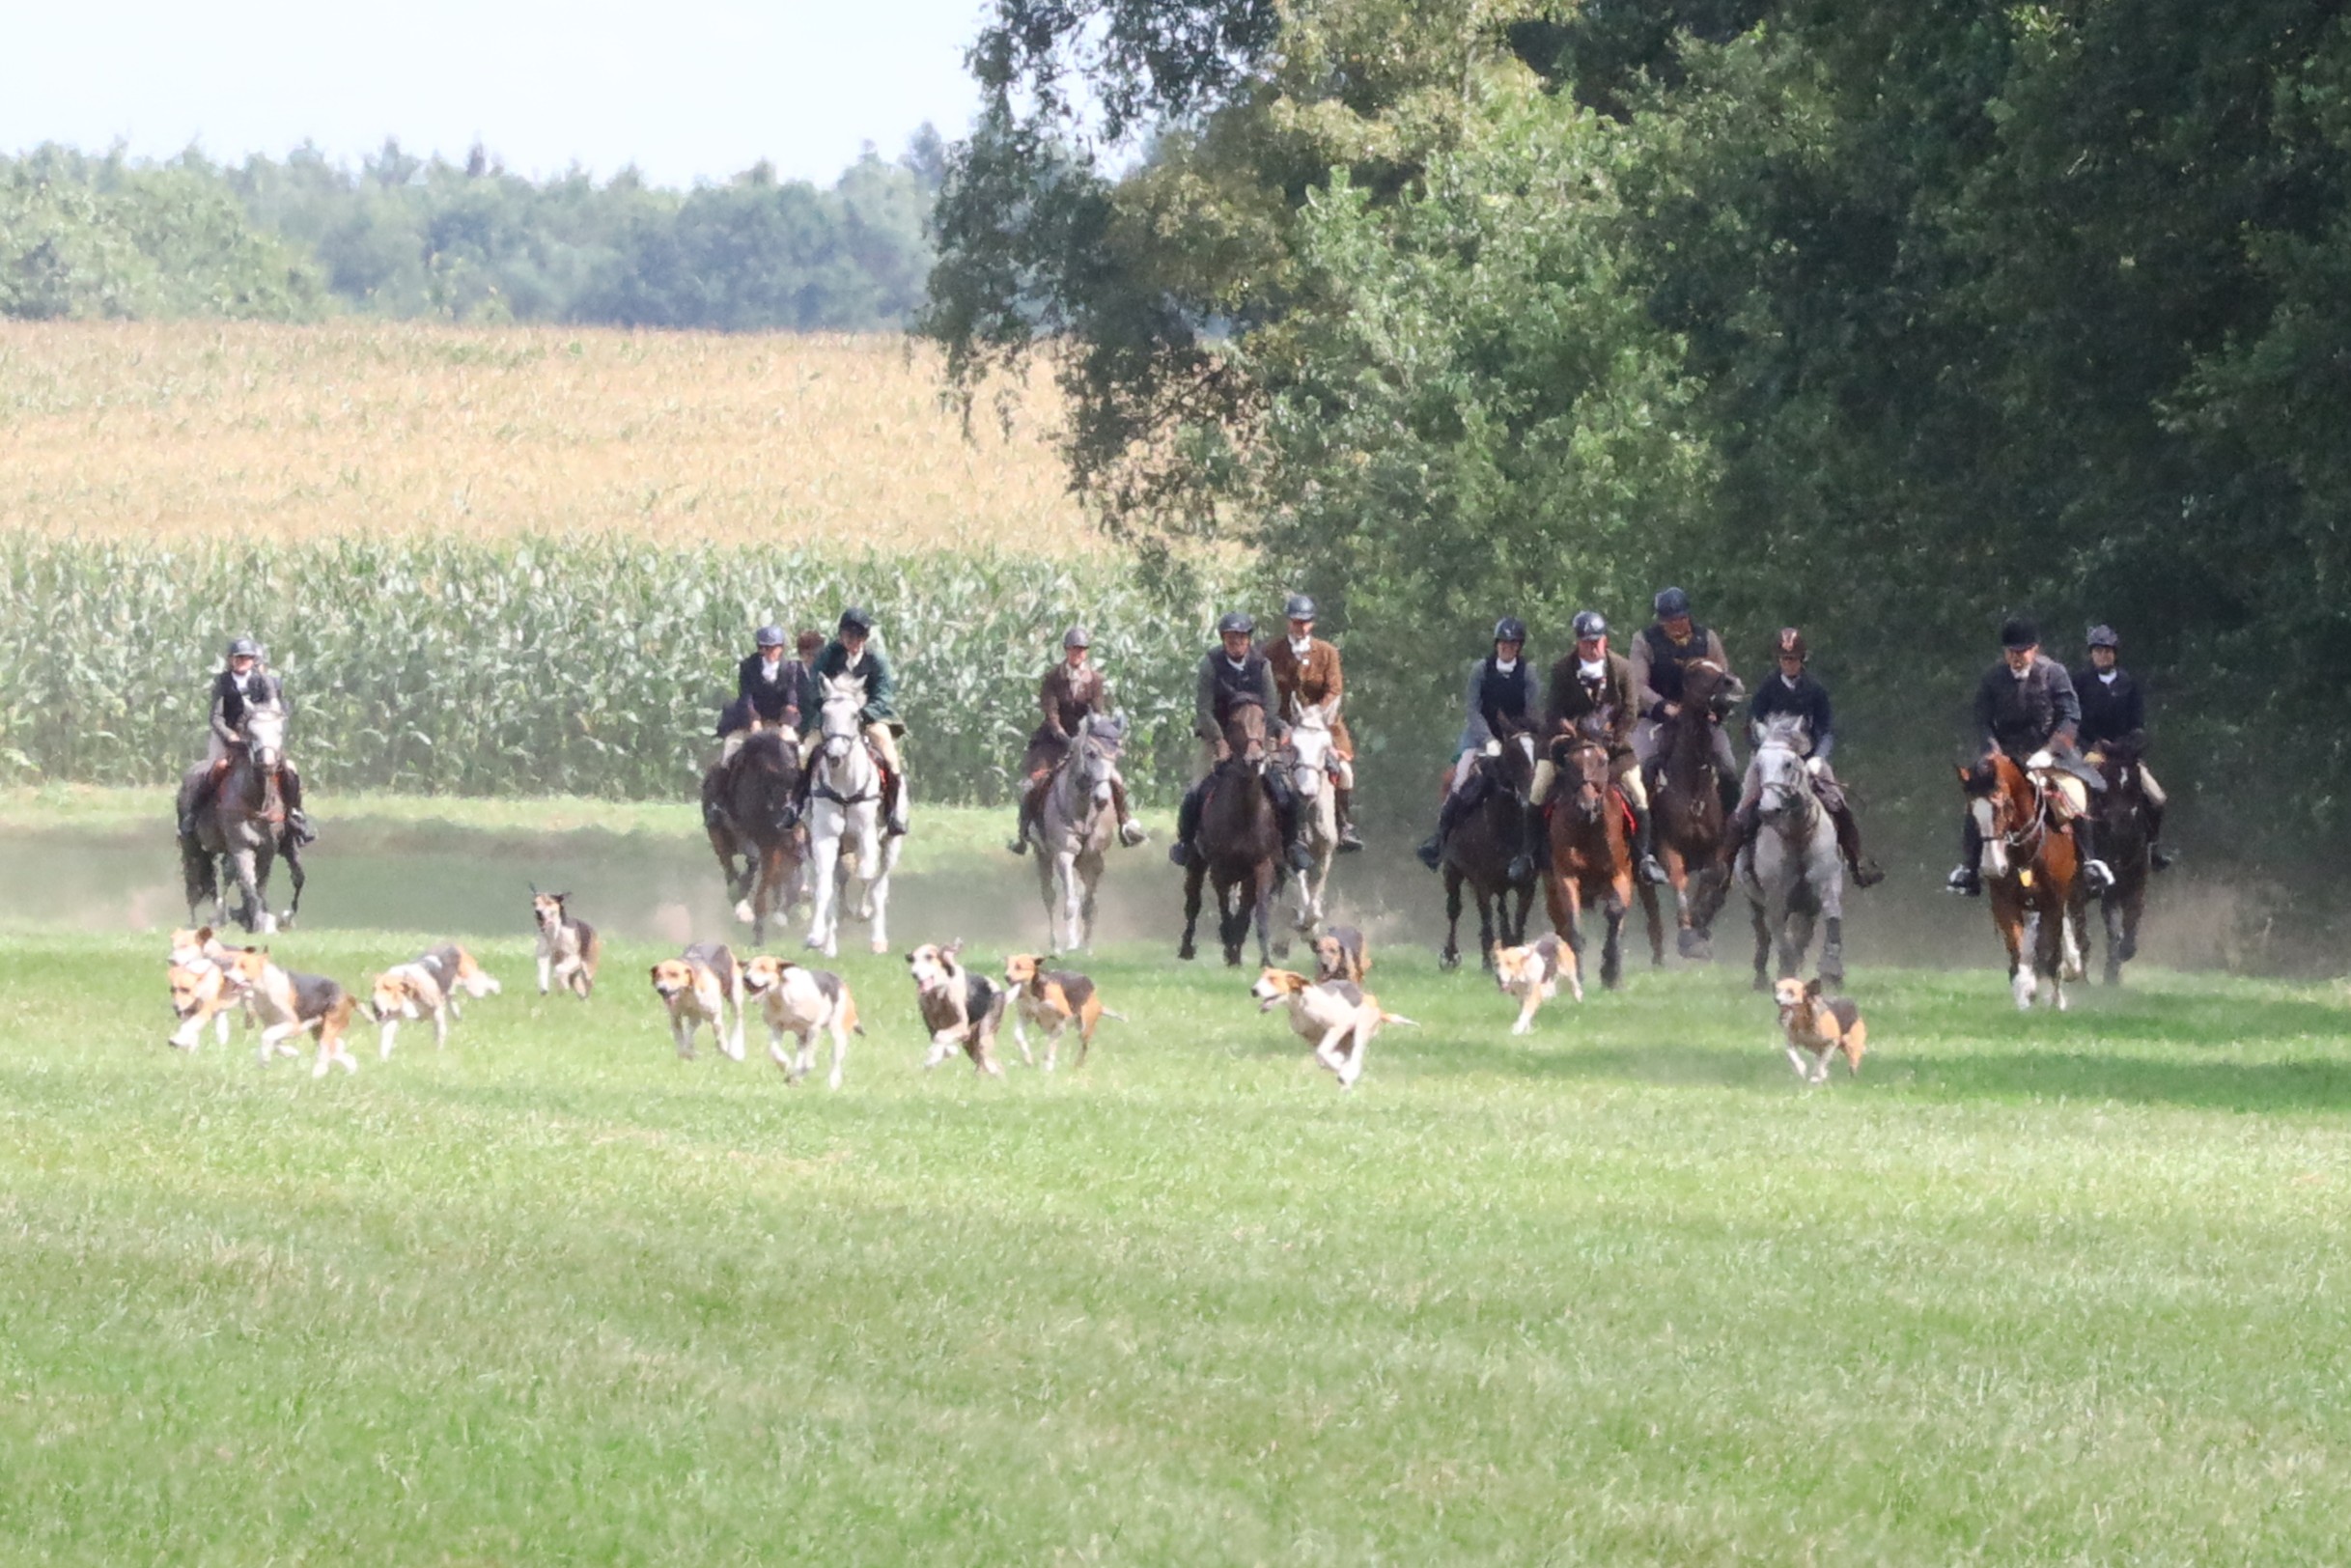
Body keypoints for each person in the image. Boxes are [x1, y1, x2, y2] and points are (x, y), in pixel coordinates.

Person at [1947, 616, 2112, 895]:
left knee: (2075, 792)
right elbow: (1982, 719)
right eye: (2011, 652)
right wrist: (1993, 752)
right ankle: (1969, 868)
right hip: (2006, 757)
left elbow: (2070, 715)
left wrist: (2050, 751)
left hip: (2050, 755)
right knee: (1978, 799)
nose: (2016, 657)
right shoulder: (1993, 679)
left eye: (2021, 651)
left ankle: (2090, 862)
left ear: (2034, 649)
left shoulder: (2054, 673)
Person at [1721, 628, 1884, 886]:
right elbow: (1751, 723)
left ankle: (1858, 863)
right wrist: (1760, 746)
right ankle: (1723, 872)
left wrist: (1819, 757)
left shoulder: (1815, 689)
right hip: (1769, 759)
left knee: (1837, 804)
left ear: (1802, 659)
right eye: (1785, 659)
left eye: (1793, 659)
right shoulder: (1767, 687)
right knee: (1743, 810)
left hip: (1808, 757)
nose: (1789, 664)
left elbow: (1826, 730)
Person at [1169, 612, 1310, 874]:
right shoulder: (1211, 664)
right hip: (1218, 735)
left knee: (1285, 788)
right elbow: (1204, 709)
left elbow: (1271, 706)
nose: (1237, 643)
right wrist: (1219, 741)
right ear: (1223, 639)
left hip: (1256, 736)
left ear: (1249, 639)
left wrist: (1272, 732)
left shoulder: (1262, 665)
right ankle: (1185, 843)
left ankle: (1292, 844)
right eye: (1231, 638)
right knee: (1196, 790)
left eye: (1242, 638)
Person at [1532, 610, 1666, 884]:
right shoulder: (1562, 669)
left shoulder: (1622, 668)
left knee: (1639, 794)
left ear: (1605, 640)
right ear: (1578, 642)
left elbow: (1630, 710)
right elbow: (1553, 712)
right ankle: (1529, 855)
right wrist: (1567, 730)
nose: (1592, 647)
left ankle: (1645, 858)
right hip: (1569, 748)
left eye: (1596, 641)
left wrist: (1613, 739)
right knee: (1537, 790)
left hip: (1613, 749)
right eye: (1586, 642)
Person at [1417, 617, 1542, 876]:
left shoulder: (1528, 672)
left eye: (1512, 644)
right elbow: (1473, 711)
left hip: (1517, 737)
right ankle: (1439, 840)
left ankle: (1539, 847)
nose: (1507, 647)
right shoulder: (1481, 670)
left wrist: (1518, 735)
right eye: (1503, 643)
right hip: (1480, 736)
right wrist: (1488, 740)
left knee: (1538, 782)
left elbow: (1531, 711)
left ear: (1519, 646)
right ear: (1496, 644)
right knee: (1460, 777)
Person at [1008, 626, 1148, 854]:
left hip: (1086, 740)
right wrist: (1065, 738)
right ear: (1066, 650)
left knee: (1114, 779)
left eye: (1081, 650)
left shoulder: (1095, 680)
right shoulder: (1052, 678)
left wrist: (1091, 739)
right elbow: (1051, 714)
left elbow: (1097, 713)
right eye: (1074, 649)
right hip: (1053, 741)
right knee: (1033, 783)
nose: (1078, 653)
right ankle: (1023, 834)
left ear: (1086, 652)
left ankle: (1125, 824)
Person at [181, 635, 314, 844]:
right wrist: (230, 736)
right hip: (229, 738)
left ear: (253, 660)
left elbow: (274, 708)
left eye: (247, 657)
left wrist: (268, 730)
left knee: (289, 768)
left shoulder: (264, 681)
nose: (243, 661)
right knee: (218, 767)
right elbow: (216, 717)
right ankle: (194, 813)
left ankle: (295, 813)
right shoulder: (223, 682)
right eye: (239, 657)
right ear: (231, 660)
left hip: (260, 737)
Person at [1260, 593, 1363, 852]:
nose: (1301, 627)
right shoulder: (1271, 652)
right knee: (1260, 769)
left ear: (1312, 623)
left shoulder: (1327, 652)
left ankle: (1344, 825)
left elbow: (1334, 689)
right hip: (1283, 725)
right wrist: (1278, 723)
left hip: (1322, 726)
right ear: (1288, 622)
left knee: (1345, 774)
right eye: (1296, 622)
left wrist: (1316, 714)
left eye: (1305, 622)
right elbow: (1267, 692)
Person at [1629, 585, 1742, 817]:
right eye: (1670, 620)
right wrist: (1663, 706)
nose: (1676, 624)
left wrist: (1718, 709)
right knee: (1641, 770)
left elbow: (1723, 678)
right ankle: (1643, 830)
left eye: (1680, 618)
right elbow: (1638, 685)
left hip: (1701, 718)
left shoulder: (1707, 639)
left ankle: (1729, 824)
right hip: (1657, 719)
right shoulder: (1644, 641)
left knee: (1729, 768)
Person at [2073, 624, 2173, 871]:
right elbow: (2074, 723)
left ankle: (2153, 848)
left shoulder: (2129, 683)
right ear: (2091, 654)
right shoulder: (2080, 683)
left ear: (2115, 654)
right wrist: (2090, 748)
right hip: (2091, 754)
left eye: (2107, 651)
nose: (2103, 655)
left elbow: (2137, 725)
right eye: (2098, 651)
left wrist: (2125, 747)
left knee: (2157, 798)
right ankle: (2080, 853)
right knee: (2074, 799)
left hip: (2124, 755)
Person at [804, 606, 910, 835]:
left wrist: (865, 714)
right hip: (834, 719)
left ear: (865, 638)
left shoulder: (876, 660)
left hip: (868, 717)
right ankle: (797, 806)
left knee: (889, 755)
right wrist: (823, 706)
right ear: (841, 635)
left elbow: (883, 694)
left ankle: (893, 811)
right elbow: (813, 682)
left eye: (859, 637)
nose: (853, 641)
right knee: (806, 752)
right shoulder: (829, 655)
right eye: (849, 636)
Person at [716, 624, 815, 764]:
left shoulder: (791, 668)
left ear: (781, 648)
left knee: (798, 755)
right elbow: (746, 696)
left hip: (780, 720)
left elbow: (791, 698)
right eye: (764, 648)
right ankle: (723, 775)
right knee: (731, 749)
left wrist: (786, 725)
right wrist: (754, 721)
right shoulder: (748, 666)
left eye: (773, 648)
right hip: (751, 721)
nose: (769, 652)